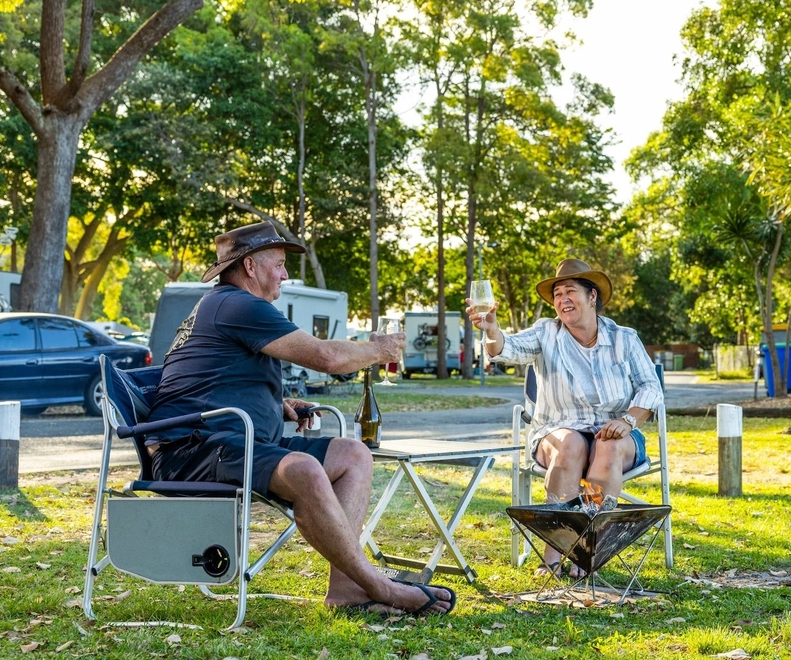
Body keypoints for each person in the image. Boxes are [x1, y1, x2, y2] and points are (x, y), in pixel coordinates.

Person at [147, 221, 456, 617]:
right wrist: (377, 349)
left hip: (227, 440)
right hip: (190, 449)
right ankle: (380, 587)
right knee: (306, 470)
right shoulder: (237, 303)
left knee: (353, 455)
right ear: (250, 267)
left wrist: (278, 404)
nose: (286, 274)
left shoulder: (223, 306)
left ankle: (346, 589)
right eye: (278, 264)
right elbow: (326, 358)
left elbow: (209, 378)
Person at [467, 258, 663, 577]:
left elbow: (650, 388)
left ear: (592, 296)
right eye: (557, 294)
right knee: (572, 444)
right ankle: (554, 553)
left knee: (607, 446)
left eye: (570, 291)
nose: (562, 300)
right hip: (557, 432)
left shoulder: (625, 338)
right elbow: (508, 349)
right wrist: (491, 330)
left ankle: (587, 552)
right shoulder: (546, 333)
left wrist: (627, 421)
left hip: (616, 432)